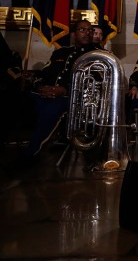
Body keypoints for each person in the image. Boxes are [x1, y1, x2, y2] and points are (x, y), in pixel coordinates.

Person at [21, 20, 100, 161]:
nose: (87, 33)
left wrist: (64, 90)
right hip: (46, 94)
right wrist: (41, 87)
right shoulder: (60, 52)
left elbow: (97, 84)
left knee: (51, 109)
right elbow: (43, 74)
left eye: (90, 30)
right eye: (83, 30)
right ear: (74, 33)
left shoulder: (97, 55)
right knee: (19, 99)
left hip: (72, 98)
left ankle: (30, 153)